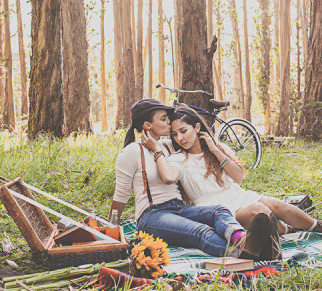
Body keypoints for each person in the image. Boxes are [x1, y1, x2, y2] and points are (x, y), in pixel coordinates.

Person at [109, 98, 273, 259]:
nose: (169, 122)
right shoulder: (131, 152)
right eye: (163, 118)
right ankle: (241, 254)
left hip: (178, 208)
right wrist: (110, 230)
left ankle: (245, 241)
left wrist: (214, 147)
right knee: (201, 231)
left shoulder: (170, 145)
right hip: (152, 215)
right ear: (147, 125)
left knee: (219, 211)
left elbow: (192, 139)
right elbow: (121, 195)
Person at [168, 104, 322, 236]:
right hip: (214, 210)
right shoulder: (177, 159)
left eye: (183, 131)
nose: (180, 138)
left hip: (237, 195)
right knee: (261, 212)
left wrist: (215, 150)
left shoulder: (218, 149)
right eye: (175, 134)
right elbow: (169, 176)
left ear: (197, 128)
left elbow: (239, 177)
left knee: (280, 206)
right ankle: (287, 230)